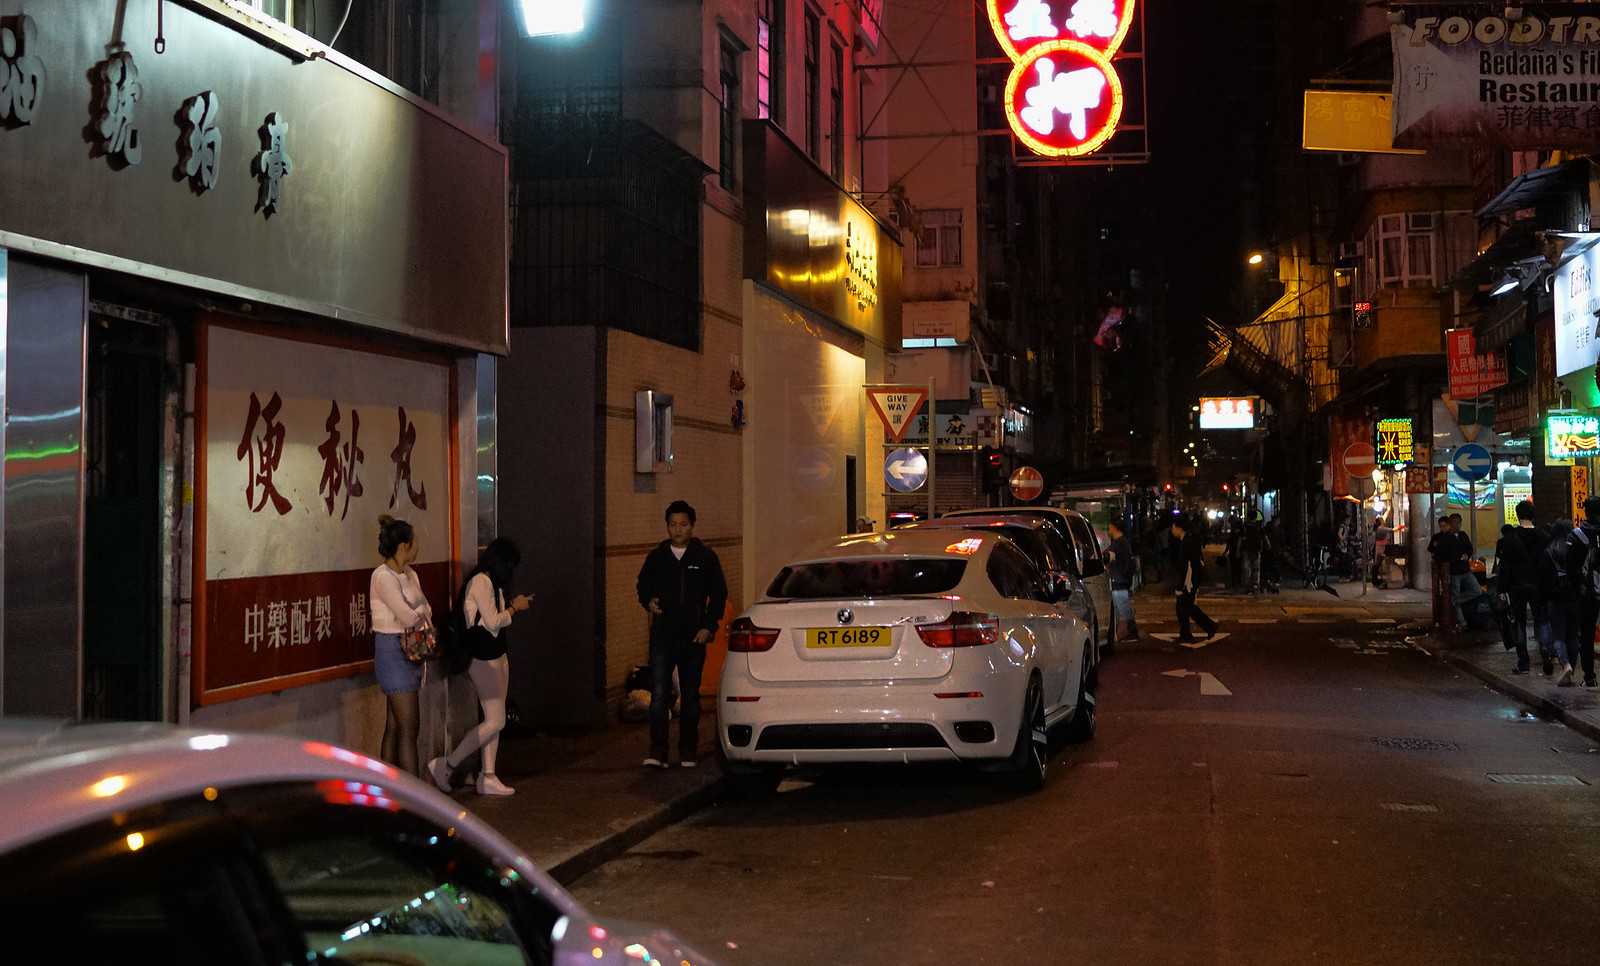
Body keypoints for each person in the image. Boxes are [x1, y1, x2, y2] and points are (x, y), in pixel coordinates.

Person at [428, 538, 533, 797]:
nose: (512, 572)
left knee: (493, 719)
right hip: (482, 658)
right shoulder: (481, 582)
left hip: (496, 656)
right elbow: (493, 622)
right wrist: (515, 608)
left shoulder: (491, 583)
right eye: (511, 566)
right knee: (496, 720)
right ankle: (447, 765)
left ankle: (488, 776)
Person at [636, 500, 728, 768]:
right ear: (667, 527)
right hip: (663, 635)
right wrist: (648, 601)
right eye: (673, 525)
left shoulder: (705, 558)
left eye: (683, 525)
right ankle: (658, 751)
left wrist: (708, 626)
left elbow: (719, 594)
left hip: (693, 636)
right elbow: (643, 585)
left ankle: (688, 750)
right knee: (659, 694)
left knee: (690, 695)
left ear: (692, 526)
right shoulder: (657, 557)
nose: (678, 530)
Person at [370, 515, 433, 776]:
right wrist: (420, 613)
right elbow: (408, 615)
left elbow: (425, 608)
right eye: (414, 541)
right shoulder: (382, 576)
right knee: (409, 727)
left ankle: (389, 788)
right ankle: (413, 795)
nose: (418, 546)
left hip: (412, 649)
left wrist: (418, 612)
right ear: (404, 545)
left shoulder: (410, 574)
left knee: (395, 726)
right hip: (392, 651)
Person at [1540, 518, 1581, 687]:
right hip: (1574, 597)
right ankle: (1571, 666)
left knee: (1558, 635)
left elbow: (1543, 579)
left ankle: (1565, 664)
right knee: (1572, 635)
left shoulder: (1549, 551)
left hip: (1556, 598)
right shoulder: (1576, 550)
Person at [1493, 523, 1534, 674]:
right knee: (1542, 621)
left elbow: (1504, 568)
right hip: (1535, 586)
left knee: (1519, 623)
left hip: (1516, 588)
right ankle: (1547, 653)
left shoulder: (1508, 543)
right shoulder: (1541, 537)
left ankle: (1524, 662)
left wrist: (1501, 589)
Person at [1568, 498, 1600, 688]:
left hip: (1587, 593)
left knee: (1586, 636)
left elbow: (1571, 568)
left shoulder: (1577, 535)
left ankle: (1590, 677)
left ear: (1585, 512)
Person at [1170, 515, 1217, 643]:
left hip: (1189, 580)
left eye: (1173, 527)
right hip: (1190, 579)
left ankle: (1195, 631)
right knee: (1186, 607)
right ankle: (1205, 628)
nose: (1172, 530)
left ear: (1178, 528)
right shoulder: (1188, 539)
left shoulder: (1187, 542)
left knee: (1184, 607)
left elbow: (1189, 565)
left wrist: (1184, 584)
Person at [1105, 520, 1139, 641]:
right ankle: (1123, 632)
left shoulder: (1118, 544)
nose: (1108, 530)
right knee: (1121, 607)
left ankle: (1132, 631)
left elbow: (1107, 557)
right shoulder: (1123, 543)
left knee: (1122, 607)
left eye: (1110, 527)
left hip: (1118, 580)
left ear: (1114, 528)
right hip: (1122, 580)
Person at [1240, 514, 1264, 594]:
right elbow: (1263, 537)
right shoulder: (1258, 527)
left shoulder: (1245, 527)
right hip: (1256, 550)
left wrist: (1238, 550)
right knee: (1256, 569)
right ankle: (1255, 586)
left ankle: (1248, 586)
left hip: (1247, 549)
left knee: (1247, 569)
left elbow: (1241, 538)